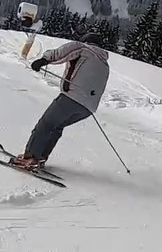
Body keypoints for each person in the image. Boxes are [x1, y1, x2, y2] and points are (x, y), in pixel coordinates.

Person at [12, 32, 111, 169]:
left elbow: (61, 53)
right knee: (56, 127)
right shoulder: (105, 64)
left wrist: (43, 60)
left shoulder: (82, 48)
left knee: (46, 125)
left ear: (86, 41)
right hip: (88, 109)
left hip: (71, 98)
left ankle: (30, 158)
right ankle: (40, 158)